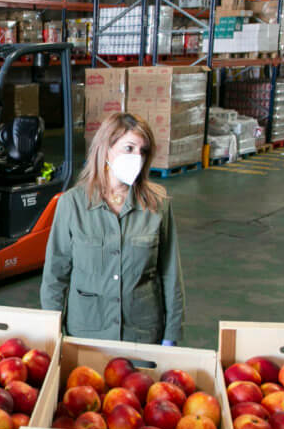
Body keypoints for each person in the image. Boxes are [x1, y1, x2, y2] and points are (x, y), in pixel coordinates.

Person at [41, 112, 184, 345]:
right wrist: (52, 330)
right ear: (106, 149)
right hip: (87, 334)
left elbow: (171, 275)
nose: (137, 157)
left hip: (142, 334)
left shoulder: (157, 206)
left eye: (143, 151)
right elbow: (55, 275)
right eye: (129, 148)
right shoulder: (72, 204)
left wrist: (172, 335)